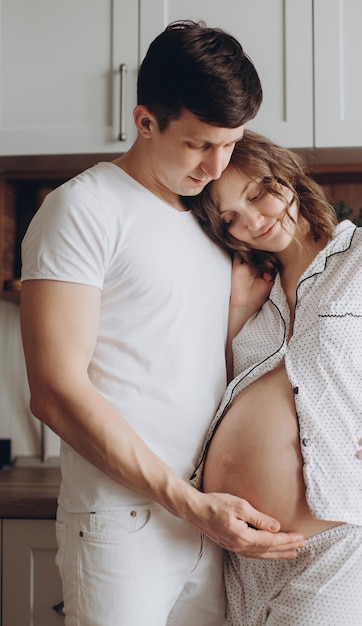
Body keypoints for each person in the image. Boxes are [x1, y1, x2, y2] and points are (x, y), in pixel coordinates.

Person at [19, 24, 306, 626]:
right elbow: (54, 391)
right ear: (144, 121)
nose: (216, 164)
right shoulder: (82, 208)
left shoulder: (211, 221)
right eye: (199, 144)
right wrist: (190, 503)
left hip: (213, 516)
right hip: (124, 519)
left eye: (230, 144)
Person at [185, 129, 362, 626]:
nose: (251, 221)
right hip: (245, 554)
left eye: (255, 194)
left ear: (285, 175)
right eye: (230, 219)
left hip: (346, 538)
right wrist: (240, 312)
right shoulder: (255, 296)